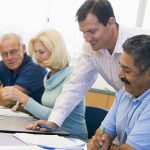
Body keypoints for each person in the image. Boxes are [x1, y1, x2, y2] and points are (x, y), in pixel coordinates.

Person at [19, 0, 150, 137]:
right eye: (83, 32)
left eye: (92, 31)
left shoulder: (140, 41)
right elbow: (77, 84)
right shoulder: (90, 47)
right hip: (124, 105)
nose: (87, 38)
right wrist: (54, 121)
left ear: (111, 22)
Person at [1, 28, 88, 142]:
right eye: (36, 52)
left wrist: (24, 99)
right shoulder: (50, 76)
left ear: (55, 51)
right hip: (50, 133)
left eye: (41, 52)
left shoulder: (72, 76)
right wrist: (25, 106)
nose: (37, 56)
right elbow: (47, 112)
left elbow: (57, 115)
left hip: (70, 138)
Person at [88, 34, 150, 150]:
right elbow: (102, 133)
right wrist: (99, 142)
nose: (120, 74)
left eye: (127, 70)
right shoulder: (125, 92)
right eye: (121, 67)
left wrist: (111, 147)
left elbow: (130, 149)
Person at [0, 33, 47, 109]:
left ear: (23, 49)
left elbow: (7, 100)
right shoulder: (3, 64)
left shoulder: (35, 68)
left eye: (13, 52)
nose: (9, 58)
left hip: (36, 118)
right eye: (4, 54)